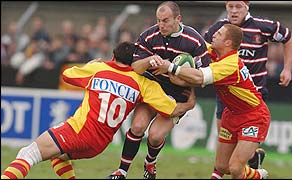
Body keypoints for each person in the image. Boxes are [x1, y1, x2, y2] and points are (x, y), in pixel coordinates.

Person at [1, 41, 195, 179]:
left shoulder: (100, 69)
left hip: (79, 131)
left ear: (113, 56)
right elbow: (170, 109)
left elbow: (67, 75)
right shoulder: (143, 83)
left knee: (27, 153)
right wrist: (188, 103)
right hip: (99, 144)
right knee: (57, 157)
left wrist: (88, 66)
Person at [107, 1, 210, 179]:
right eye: (158, 20)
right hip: (151, 89)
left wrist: (172, 70)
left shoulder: (194, 40)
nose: (161, 25)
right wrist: (149, 60)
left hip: (178, 95)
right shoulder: (149, 35)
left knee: (154, 136)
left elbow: (203, 76)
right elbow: (136, 67)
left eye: (165, 20)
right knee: (138, 126)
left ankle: (150, 162)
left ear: (178, 19)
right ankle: (122, 171)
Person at [153, 23, 270, 179]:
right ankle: (254, 170)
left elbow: (200, 77)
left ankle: (258, 175)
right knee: (222, 166)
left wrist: (172, 68)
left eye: (219, 34)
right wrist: (174, 26)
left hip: (253, 117)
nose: (214, 34)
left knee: (235, 168)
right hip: (231, 114)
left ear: (228, 43)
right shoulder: (214, 52)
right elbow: (196, 42)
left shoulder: (230, 64)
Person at [203, 1, 292, 176]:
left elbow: (288, 37)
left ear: (247, 6)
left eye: (239, 7)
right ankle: (251, 164)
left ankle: (248, 166)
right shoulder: (218, 30)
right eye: (230, 7)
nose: (234, 11)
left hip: (253, 97)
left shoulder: (262, 26)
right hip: (227, 95)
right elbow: (203, 51)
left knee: (238, 158)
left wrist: (287, 68)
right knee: (226, 149)